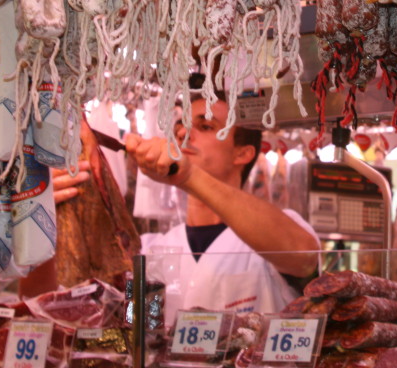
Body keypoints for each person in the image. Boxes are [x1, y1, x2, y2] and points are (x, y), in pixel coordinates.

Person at [59, 76, 320, 314]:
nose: (183, 134)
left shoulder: (274, 234)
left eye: (205, 126)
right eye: (180, 127)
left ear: (243, 153)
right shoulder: (150, 251)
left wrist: (189, 177)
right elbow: (136, 327)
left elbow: (304, 258)